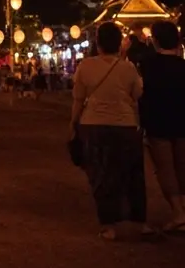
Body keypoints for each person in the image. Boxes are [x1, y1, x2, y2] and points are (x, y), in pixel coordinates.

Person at [71, 20, 151, 240]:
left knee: (101, 174)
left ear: (98, 44)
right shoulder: (128, 68)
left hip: (93, 124)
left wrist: (73, 123)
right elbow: (137, 94)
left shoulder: (86, 66)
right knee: (132, 174)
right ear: (119, 44)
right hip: (125, 125)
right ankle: (139, 221)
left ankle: (109, 225)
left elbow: (78, 99)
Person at [138, 20, 185, 231]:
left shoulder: (148, 65)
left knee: (165, 169)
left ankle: (178, 213)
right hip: (182, 122)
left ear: (155, 41)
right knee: (182, 166)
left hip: (158, 123)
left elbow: (142, 94)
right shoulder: (182, 66)